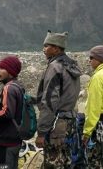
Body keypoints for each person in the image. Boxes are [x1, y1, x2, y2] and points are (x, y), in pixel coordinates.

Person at [35, 31, 82, 168]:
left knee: (53, 162)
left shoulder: (55, 67)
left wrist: (42, 132)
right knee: (66, 160)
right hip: (70, 122)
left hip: (57, 124)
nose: (43, 49)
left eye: (47, 46)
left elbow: (50, 101)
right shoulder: (72, 67)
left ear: (56, 48)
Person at [0, 56, 24, 169]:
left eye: (2, 68)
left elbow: (7, 113)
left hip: (4, 142)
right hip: (15, 140)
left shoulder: (8, 88)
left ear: (11, 71)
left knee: (2, 167)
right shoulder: (18, 86)